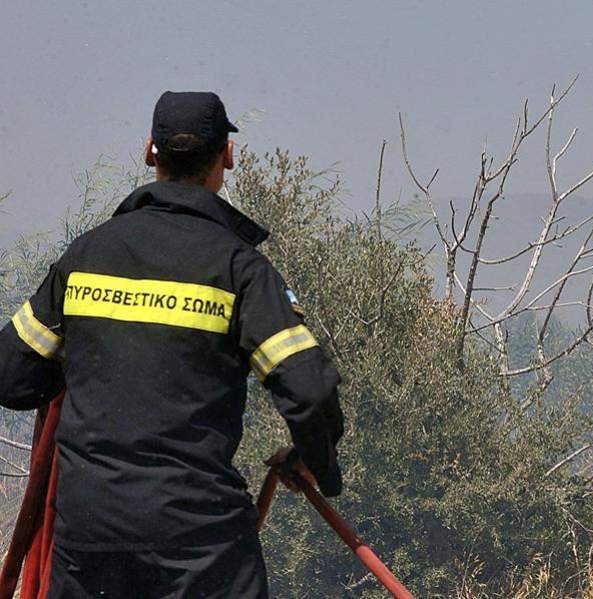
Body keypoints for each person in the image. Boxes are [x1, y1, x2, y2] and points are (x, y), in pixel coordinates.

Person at [0, 91, 344, 598]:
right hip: (200, 544)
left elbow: (11, 375)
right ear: (227, 155)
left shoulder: (86, 256)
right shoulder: (239, 269)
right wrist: (318, 462)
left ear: (149, 153)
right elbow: (310, 392)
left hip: (90, 540)